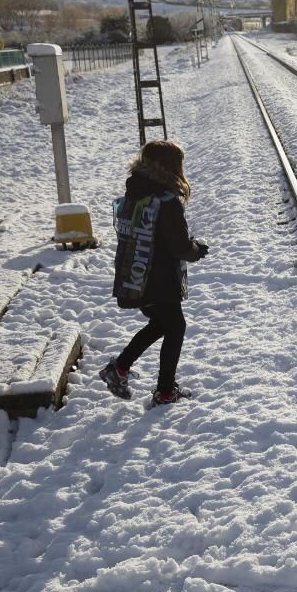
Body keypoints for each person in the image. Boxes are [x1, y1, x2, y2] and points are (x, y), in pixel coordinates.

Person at [99, 140, 208, 406]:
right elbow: (179, 246)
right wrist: (198, 249)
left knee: (162, 324)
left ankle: (120, 368)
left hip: (134, 275)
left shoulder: (136, 192)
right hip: (158, 278)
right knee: (175, 327)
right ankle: (165, 391)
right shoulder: (167, 201)